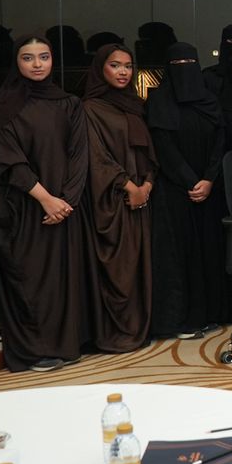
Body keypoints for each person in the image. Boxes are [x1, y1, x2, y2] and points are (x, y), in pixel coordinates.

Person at [0, 33, 97, 371]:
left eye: (44, 57)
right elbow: (8, 160)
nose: (37, 65)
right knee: (32, 281)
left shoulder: (69, 103)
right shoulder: (6, 106)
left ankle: (66, 345)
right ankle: (35, 351)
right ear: (16, 62)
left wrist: (66, 201)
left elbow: (79, 156)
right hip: (25, 209)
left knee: (63, 278)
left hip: (64, 209)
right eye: (28, 58)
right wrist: (46, 199)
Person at [146, 42, 226, 339]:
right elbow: (163, 147)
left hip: (209, 190)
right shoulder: (159, 102)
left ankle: (211, 314)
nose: (185, 69)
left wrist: (209, 179)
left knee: (209, 252)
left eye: (189, 63)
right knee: (182, 256)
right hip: (175, 192)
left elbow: (220, 141)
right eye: (178, 64)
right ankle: (184, 320)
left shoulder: (209, 101)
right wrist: (191, 181)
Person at [81, 43, 155, 354]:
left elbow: (148, 150)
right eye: (115, 65)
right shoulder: (90, 108)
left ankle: (138, 328)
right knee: (117, 269)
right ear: (101, 69)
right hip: (112, 201)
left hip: (141, 198)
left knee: (138, 266)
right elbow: (96, 157)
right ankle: (116, 334)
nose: (123, 72)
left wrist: (147, 183)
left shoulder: (135, 105)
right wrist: (129, 187)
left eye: (127, 66)